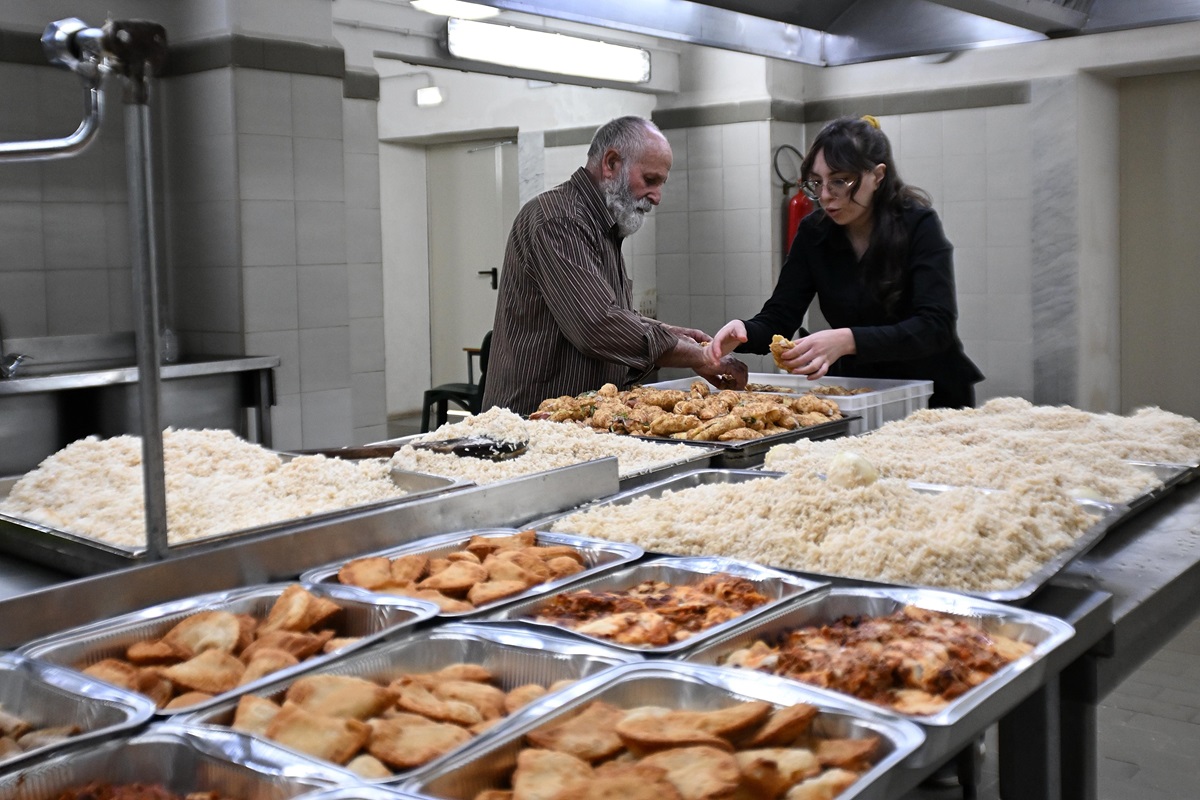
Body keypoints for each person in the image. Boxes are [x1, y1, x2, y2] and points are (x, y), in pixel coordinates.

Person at [710, 115, 983, 409]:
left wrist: (847, 340)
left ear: (877, 176)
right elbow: (780, 317)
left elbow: (935, 326)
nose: (826, 196)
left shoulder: (917, 224)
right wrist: (743, 332)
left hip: (931, 393)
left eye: (840, 181)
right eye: (817, 183)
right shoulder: (814, 233)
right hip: (861, 392)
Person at [483, 115, 746, 416]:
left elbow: (612, 314)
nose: (657, 197)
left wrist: (675, 337)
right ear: (611, 164)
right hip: (532, 422)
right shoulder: (559, 219)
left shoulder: (602, 225)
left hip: (577, 419)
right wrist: (696, 356)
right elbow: (597, 325)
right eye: (650, 180)